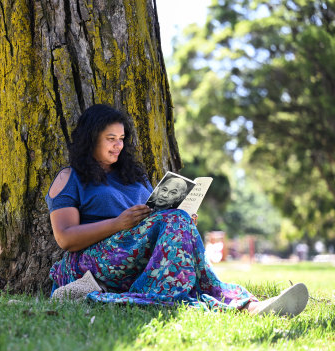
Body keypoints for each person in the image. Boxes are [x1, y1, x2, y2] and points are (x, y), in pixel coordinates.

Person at [46, 104, 309, 316]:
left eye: (122, 139)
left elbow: (153, 217)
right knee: (173, 220)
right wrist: (118, 223)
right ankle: (231, 305)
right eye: (110, 139)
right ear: (91, 139)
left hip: (140, 256)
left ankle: (248, 305)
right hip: (93, 261)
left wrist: (180, 221)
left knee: (178, 220)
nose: (118, 145)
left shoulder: (133, 176)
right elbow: (66, 238)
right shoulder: (70, 177)